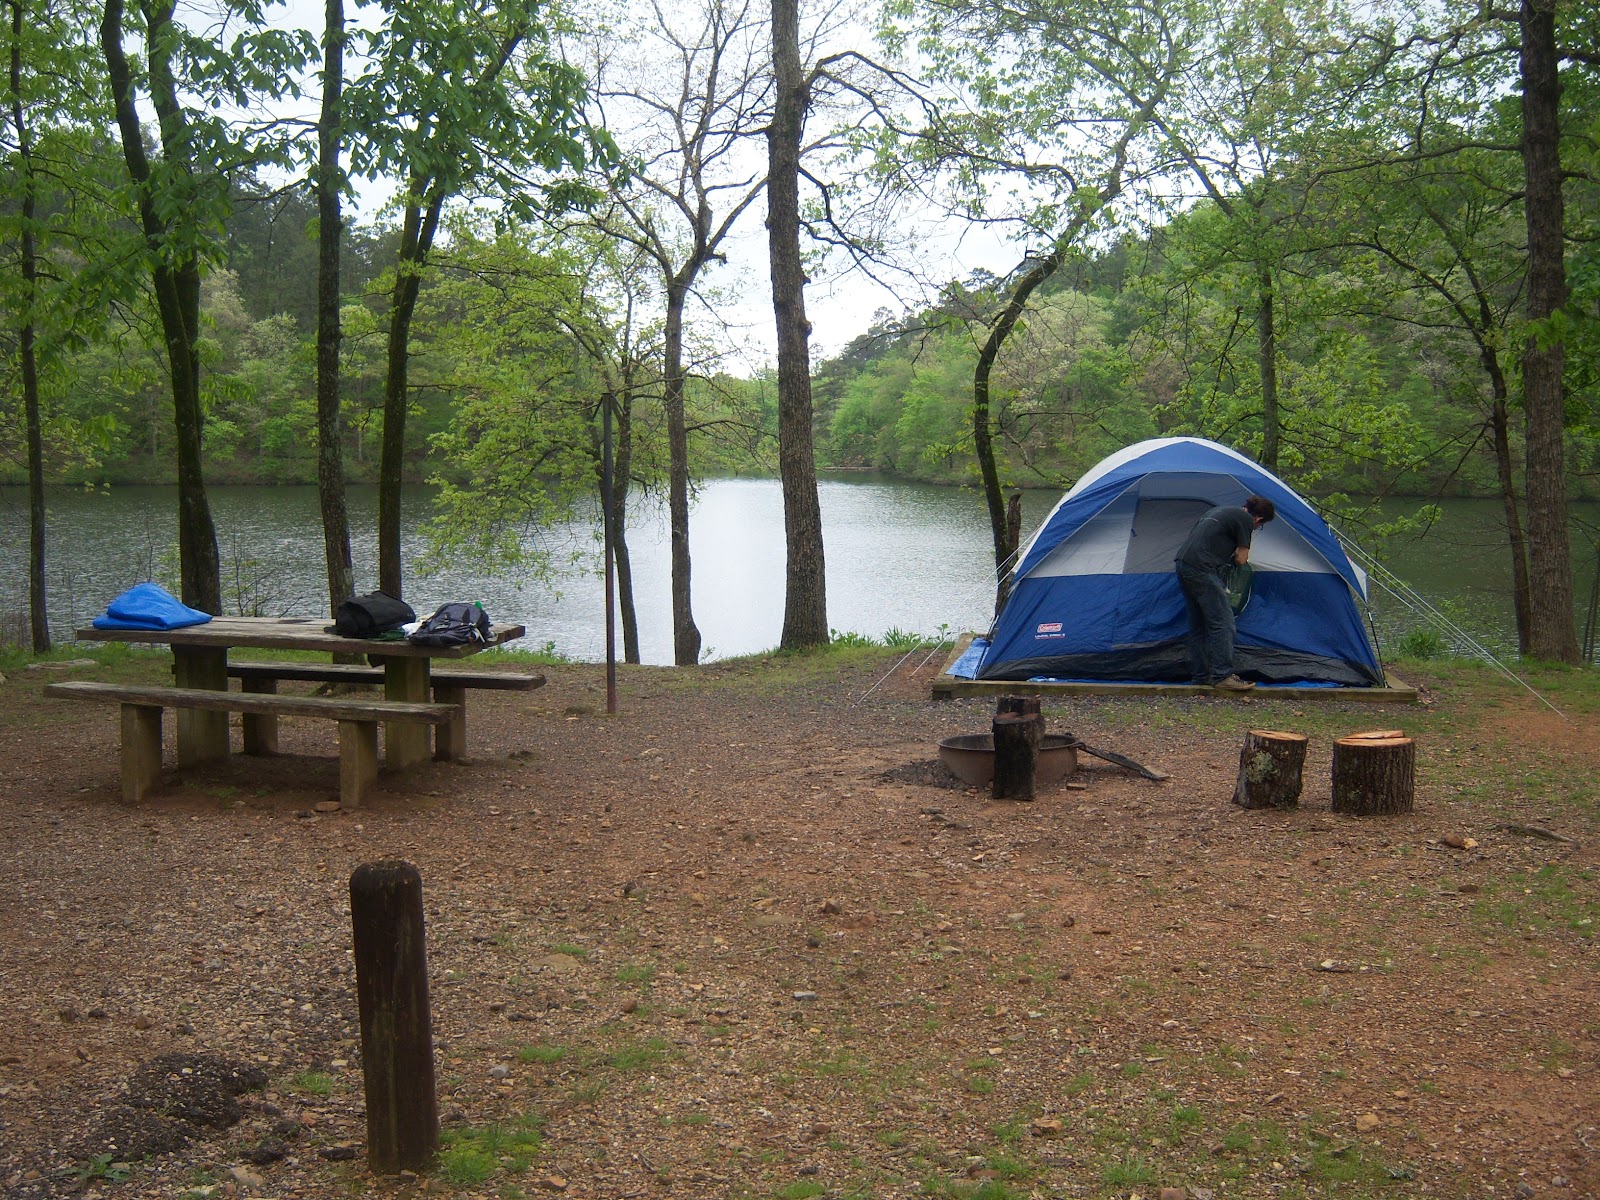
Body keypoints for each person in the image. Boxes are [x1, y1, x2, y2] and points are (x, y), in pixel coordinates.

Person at [1174, 496, 1276, 690]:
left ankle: (1200, 676)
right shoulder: (1245, 520)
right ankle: (1222, 676)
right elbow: (1241, 558)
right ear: (1259, 519)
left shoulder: (1219, 510)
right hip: (1202, 569)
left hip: (1183, 564)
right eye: (1259, 526)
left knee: (1198, 624)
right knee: (1224, 622)